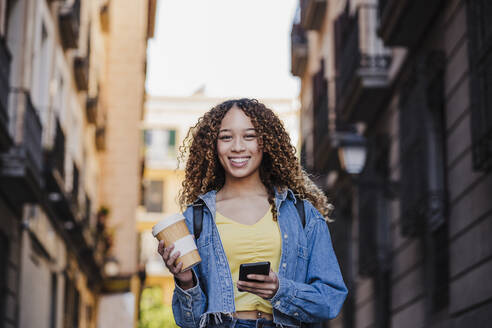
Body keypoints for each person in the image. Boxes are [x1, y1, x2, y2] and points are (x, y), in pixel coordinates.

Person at [157, 98, 347, 328]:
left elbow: (330, 299)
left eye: (249, 136)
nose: (237, 146)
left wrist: (280, 290)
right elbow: (190, 322)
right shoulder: (197, 218)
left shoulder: (301, 213)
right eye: (226, 137)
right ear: (213, 146)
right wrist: (186, 281)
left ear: (265, 143)